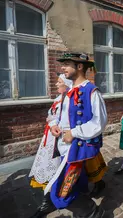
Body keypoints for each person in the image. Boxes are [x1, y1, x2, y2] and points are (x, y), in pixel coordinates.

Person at [45, 53, 107, 217]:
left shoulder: (91, 91)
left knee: (60, 192)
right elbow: (56, 115)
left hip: (76, 149)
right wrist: (54, 125)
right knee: (78, 185)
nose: (62, 67)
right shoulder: (67, 92)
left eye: (66, 64)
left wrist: (74, 132)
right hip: (63, 147)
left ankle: (94, 213)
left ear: (79, 67)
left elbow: (99, 122)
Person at [29, 74, 71, 218]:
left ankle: (50, 201)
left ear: (67, 84)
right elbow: (51, 116)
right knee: (48, 168)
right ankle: (47, 201)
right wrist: (52, 122)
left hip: (60, 140)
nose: (56, 84)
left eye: (59, 82)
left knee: (57, 169)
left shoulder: (69, 101)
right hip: (50, 139)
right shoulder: (57, 100)